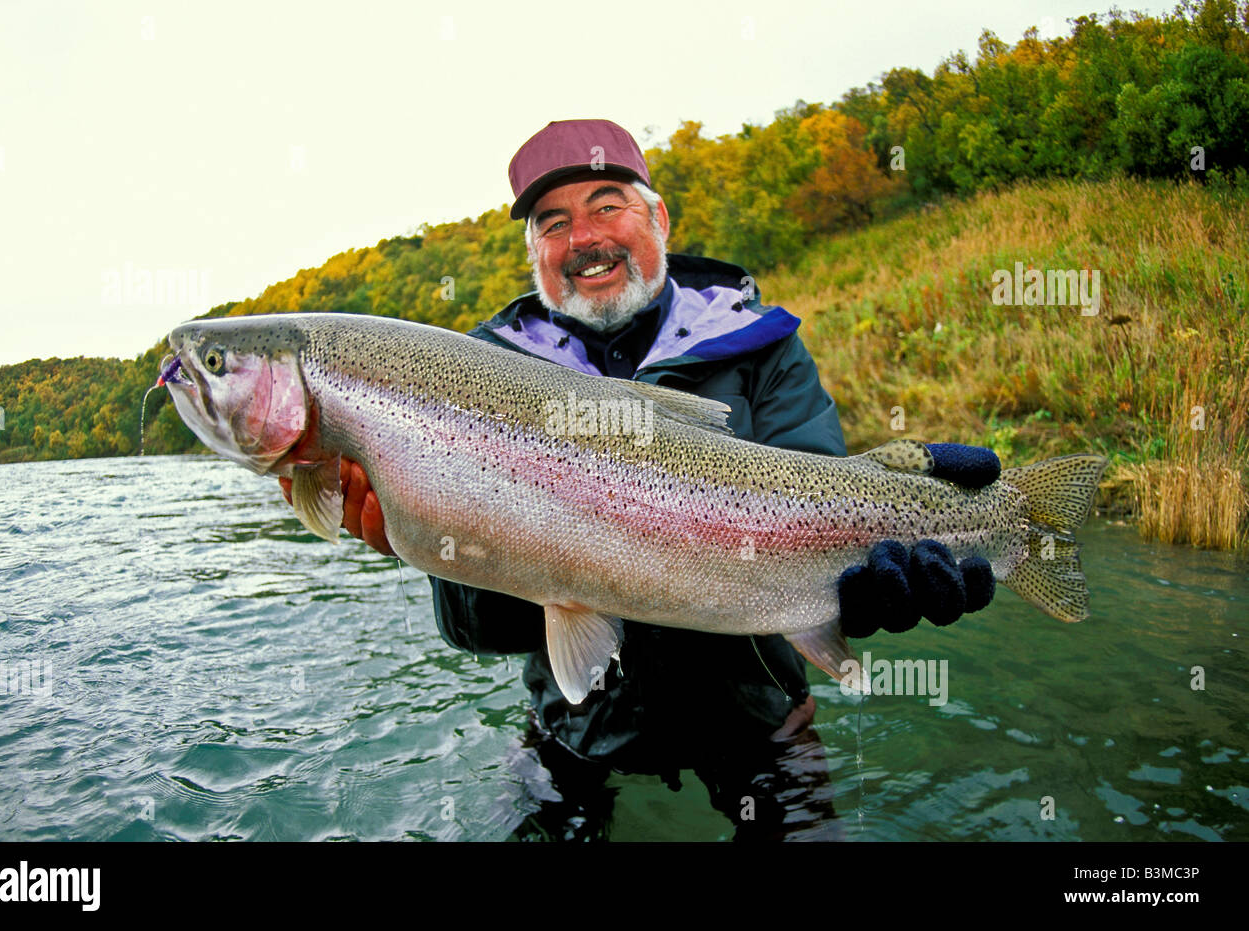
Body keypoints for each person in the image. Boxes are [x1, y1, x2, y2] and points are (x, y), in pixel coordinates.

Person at [280, 119, 998, 840]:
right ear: (533, 253)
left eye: (605, 205)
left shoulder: (764, 346)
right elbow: (481, 630)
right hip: (575, 723)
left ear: (658, 216)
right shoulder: (475, 376)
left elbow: (822, 505)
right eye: (552, 222)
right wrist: (427, 545)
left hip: (755, 715)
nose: (583, 237)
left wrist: (865, 579)